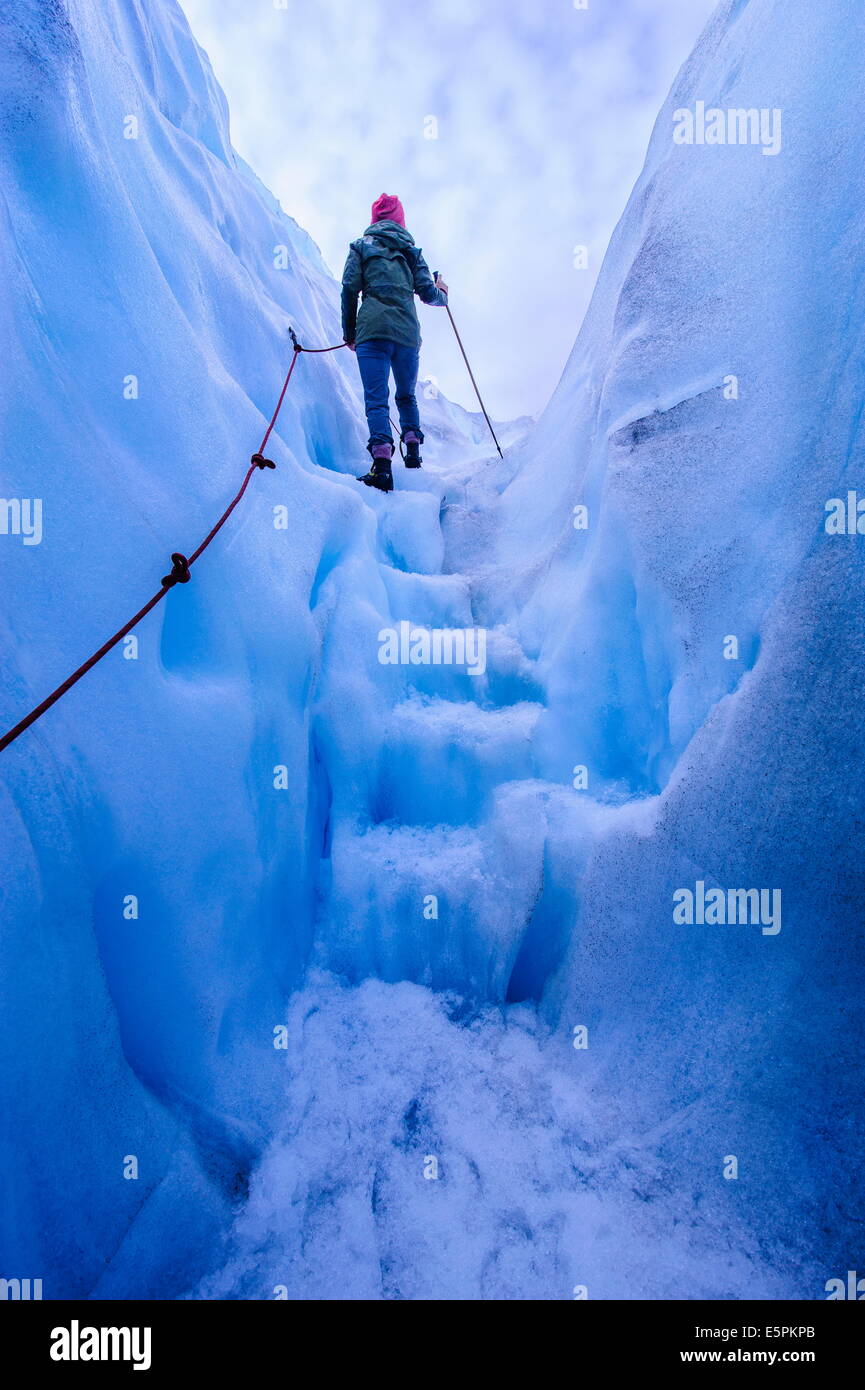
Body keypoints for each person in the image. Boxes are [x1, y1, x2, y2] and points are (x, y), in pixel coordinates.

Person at [341, 193, 448, 492]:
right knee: (406, 395)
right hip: (406, 335)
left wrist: (350, 333)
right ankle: (413, 452)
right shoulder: (412, 252)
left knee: (376, 398)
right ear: (401, 220)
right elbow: (428, 294)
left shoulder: (361, 247)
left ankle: (383, 466)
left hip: (372, 332)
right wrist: (444, 294)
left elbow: (349, 289)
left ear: (374, 219)